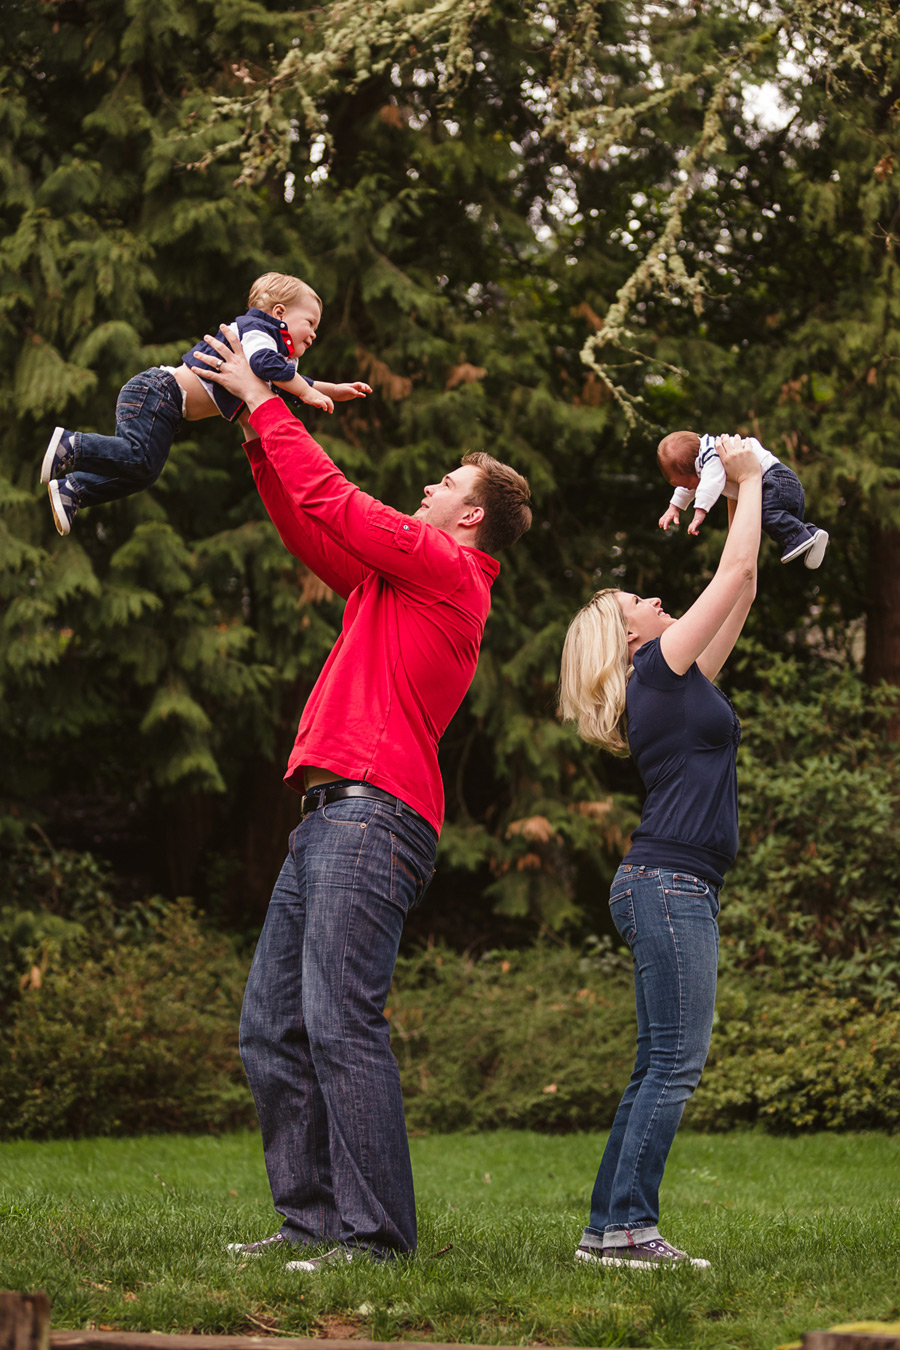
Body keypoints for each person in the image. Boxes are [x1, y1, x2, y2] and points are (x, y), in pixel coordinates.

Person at [194, 327, 532, 1271]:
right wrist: (260, 434)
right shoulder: (392, 585)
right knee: (270, 1029)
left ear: (470, 521)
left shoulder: (450, 573)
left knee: (339, 1019)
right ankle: (311, 1226)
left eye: (445, 487)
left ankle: (376, 1242)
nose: (428, 489)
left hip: (374, 816)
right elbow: (314, 524)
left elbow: (339, 498)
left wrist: (269, 403)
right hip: (331, 818)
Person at [559, 436, 762, 1271]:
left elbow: (740, 583)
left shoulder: (675, 680)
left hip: (671, 883)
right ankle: (630, 1233)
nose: (653, 597)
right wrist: (748, 480)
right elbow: (727, 575)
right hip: (670, 885)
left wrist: (753, 489)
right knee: (674, 1066)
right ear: (628, 637)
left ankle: (607, 1233)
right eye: (637, 598)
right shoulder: (658, 673)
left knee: (658, 1066)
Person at [39, 272, 371, 536]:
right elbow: (266, 367)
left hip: (166, 405)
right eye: (310, 323)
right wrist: (309, 393)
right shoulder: (259, 332)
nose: (314, 334)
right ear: (280, 314)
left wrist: (334, 389)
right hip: (157, 392)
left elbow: (290, 383)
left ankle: (74, 490)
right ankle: (73, 444)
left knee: (144, 472)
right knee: (139, 456)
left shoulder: (277, 356)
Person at [657, 428, 828, 569]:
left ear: (695, 467)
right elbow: (693, 485)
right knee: (768, 516)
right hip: (780, 483)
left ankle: (798, 537)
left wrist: (700, 512)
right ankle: (811, 533)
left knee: (763, 515)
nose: (687, 489)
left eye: (686, 484)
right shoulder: (703, 457)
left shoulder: (712, 456)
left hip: (775, 480)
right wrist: (674, 507)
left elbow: (709, 484)